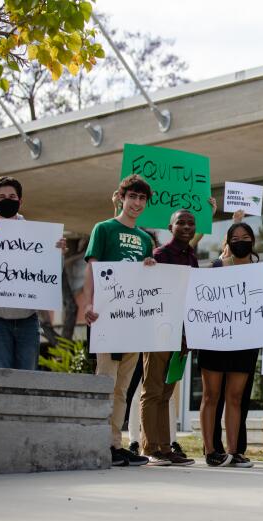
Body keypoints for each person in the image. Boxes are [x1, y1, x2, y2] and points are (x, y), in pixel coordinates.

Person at [83, 174, 155, 467]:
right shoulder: (103, 229)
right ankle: (97, 442)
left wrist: (151, 266)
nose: (136, 203)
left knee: (123, 387)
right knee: (105, 382)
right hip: (106, 319)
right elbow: (92, 268)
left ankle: (114, 444)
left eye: (141, 199)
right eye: (132, 197)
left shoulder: (146, 239)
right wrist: (88, 302)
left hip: (133, 323)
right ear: (121, 198)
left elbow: (147, 282)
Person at [0, 176, 65, 371]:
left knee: (27, 379)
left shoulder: (36, 235)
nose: (7, 199)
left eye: (12, 196)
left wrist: (56, 252)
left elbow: (46, 274)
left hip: (27, 321)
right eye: (2, 197)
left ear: (20, 201)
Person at [197, 222, 263, 468]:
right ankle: (211, 450)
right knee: (211, 395)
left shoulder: (262, 273)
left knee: (235, 397)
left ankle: (235, 451)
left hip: (244, 342)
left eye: (245, 236)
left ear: (253, 241)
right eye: (235, 238)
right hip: (214, 339)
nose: (240, 241)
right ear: (227, 242)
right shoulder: (215, 268)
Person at [137, 210, 199, 467]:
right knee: (152, 391)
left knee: (166, 393)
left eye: (190, 223)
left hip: (182, 336)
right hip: (158, 332)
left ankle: (165, 446)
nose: (186, 226)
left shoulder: (192, 258)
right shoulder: (160, 255)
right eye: (180, 222)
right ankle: (150, 448)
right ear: (170, 226)